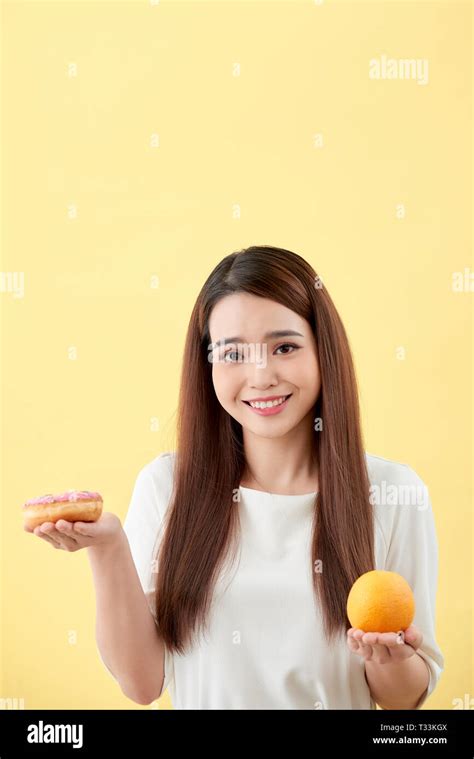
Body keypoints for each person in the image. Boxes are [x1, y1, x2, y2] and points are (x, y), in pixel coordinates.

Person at [28, 245, 444, 710]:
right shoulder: (168, 486)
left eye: (284, 347)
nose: (261, 375)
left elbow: (403, 701)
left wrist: (387, 658)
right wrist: (108, 548)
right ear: (207, 366)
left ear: (323, 351)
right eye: (232, 354)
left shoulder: (393, 493)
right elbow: (142, 684)